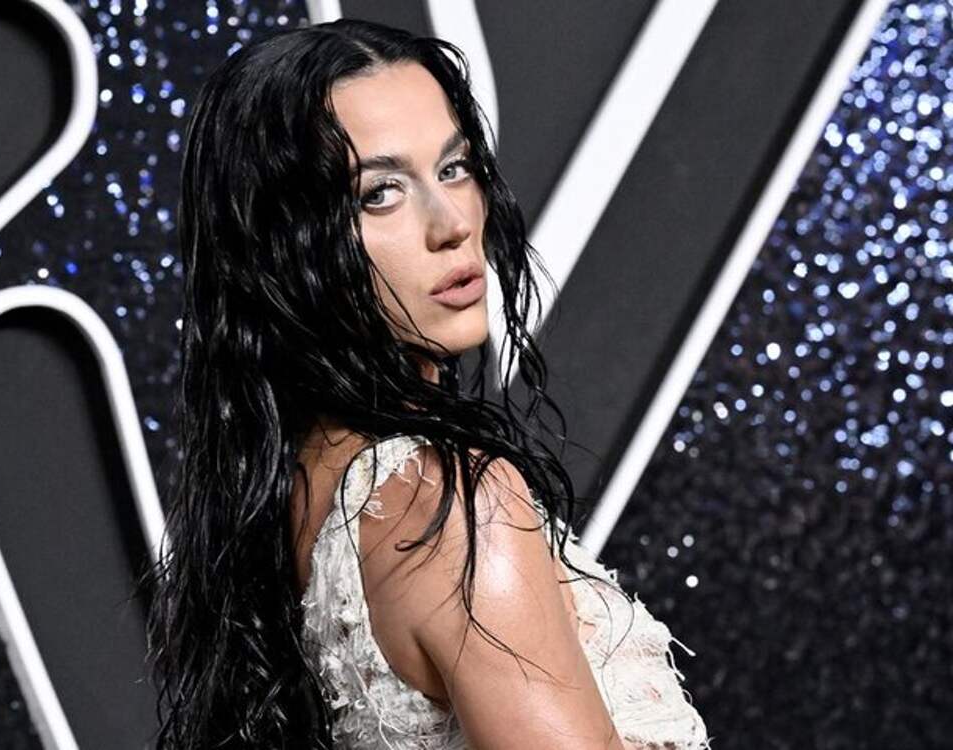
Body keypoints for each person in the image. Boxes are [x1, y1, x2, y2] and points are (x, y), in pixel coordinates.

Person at [146, 16, 712, 750]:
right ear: (284, 244)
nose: (451, 225)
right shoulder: (448, 502)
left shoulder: (298, 482)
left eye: (454, 168)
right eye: (379, 193)